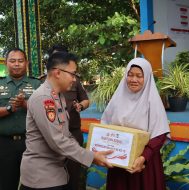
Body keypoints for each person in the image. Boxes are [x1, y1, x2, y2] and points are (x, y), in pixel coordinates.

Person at [20, 51, 112, 190]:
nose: (74, 79)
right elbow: (57, 140)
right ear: (57, 72)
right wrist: (91, 156)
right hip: (42, 178)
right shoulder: (43, 99)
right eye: (72, 74)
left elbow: (66, 134)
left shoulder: (58, 97)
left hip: (56, 174)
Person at [101, 57, 170, 190]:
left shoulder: (153, 102)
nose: (134, 80)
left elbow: (159, 135)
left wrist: (144, 157)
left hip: (144, 165)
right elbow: (105, 126)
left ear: (147, 78)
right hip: (119, 164)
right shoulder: (116, 100)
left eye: (139, 76)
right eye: (130, 75)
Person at [47, 44, 90, 190]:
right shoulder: (44, 90)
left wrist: (81, 106)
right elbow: (54, 138)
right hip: (55, 135)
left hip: (73, 131)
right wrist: (92, 157)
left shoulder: (74, 80)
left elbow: (85, 99)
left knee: (73, 174)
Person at [0, 48, 41, 190]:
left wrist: (25, 104)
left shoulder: (37, 84)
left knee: (33, 185)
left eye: (20, 61)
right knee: (5, 184)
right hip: (4, 144)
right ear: (6, 63)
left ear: (26, 63)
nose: (16, 64)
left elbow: (46, 112)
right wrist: (9, 109)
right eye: (12, 61)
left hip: (31, 143)